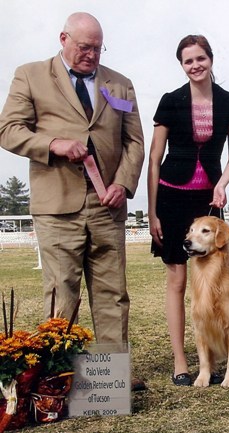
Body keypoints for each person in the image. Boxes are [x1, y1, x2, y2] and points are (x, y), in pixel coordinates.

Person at [0, 12, 145, 388]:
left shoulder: (120, 84)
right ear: (63, 39)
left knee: (113, 295)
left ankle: (108, 385)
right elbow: (8, 129)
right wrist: (52, 144)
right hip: (57, 206)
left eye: (98, 48)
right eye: (84, 47)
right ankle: (57, 380)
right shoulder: (30, 75)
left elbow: (134, 142)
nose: (92, 55)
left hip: (107, 205)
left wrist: (123, 185)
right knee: (61, 292)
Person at [147, 34, 229, 386]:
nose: (195, 65)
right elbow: (154, 159)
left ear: (211, 59)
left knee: (218, 280)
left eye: (201, 58)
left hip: (209, 200)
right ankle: (180, 361)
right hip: (172, 197)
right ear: (182, 65)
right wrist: (152, 211)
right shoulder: (170, 102)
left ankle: (217, 354)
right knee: (177, 279)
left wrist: (223, 184)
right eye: (188, 61)